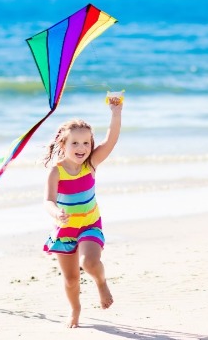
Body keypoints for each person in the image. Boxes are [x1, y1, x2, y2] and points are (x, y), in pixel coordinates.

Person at [42, 96, 123, 328]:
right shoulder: (56, 172)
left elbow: (110, 141)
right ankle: (75, 309)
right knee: (70, 279)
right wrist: (56, 213)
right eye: (75, 143)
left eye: (86, 143)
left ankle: (101, 281)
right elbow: (47, 200)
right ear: (63, 145)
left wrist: (116, 113)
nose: (81, 148)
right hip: (64, 230)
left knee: (89, 262)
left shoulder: (91, 164)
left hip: (89, 225)